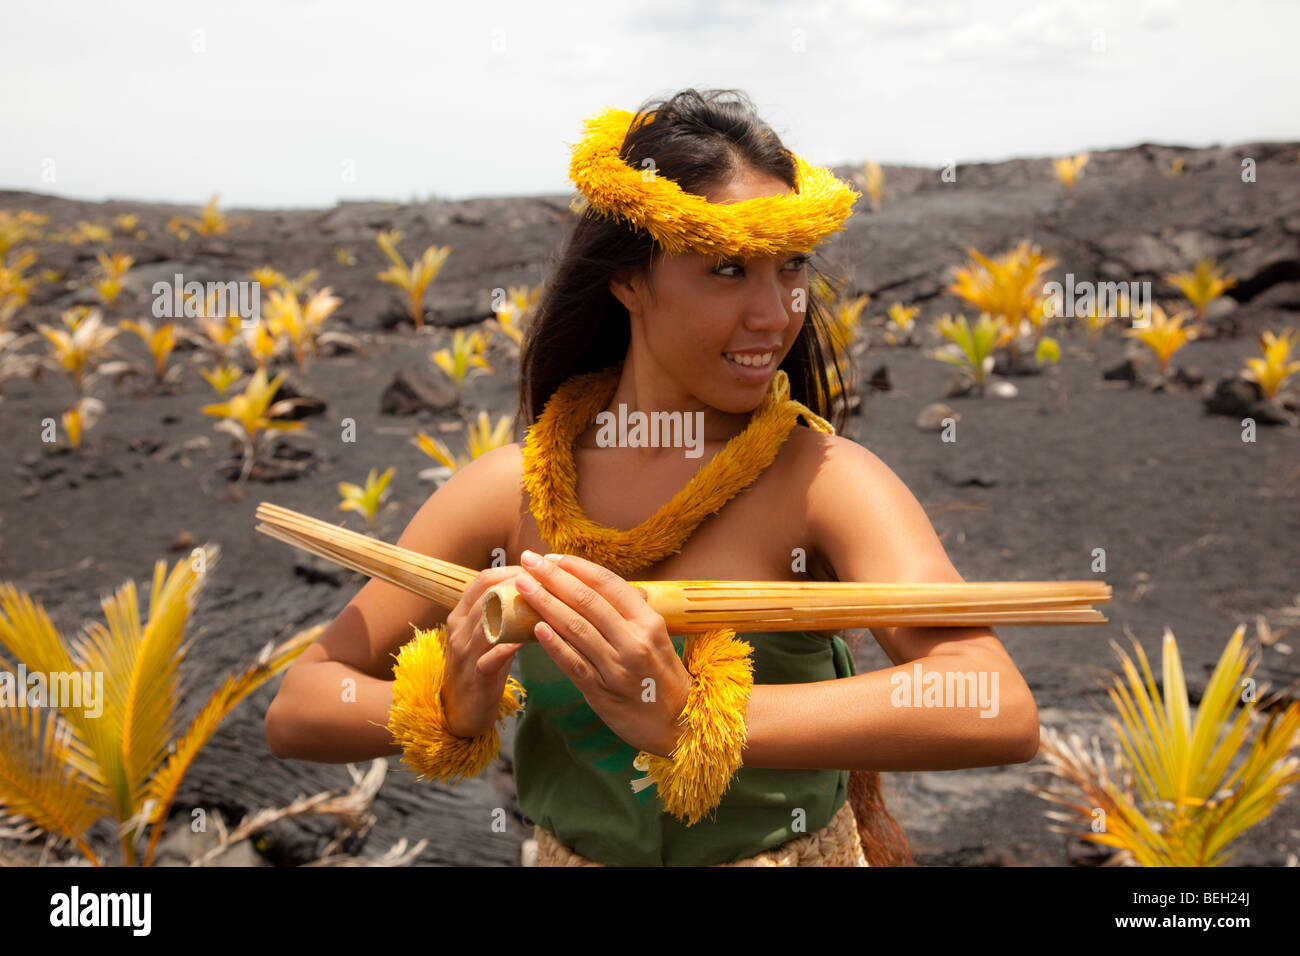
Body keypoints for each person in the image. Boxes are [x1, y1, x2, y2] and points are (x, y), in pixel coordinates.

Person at [264, 88, 1040, 867]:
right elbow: (302, 703)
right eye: (728, 269)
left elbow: (991, 702)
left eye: (792, 267)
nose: (775, 313)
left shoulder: (827, 484)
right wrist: (448, 706)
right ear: (628, 280)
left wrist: (690, 720)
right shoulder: (511, 496)